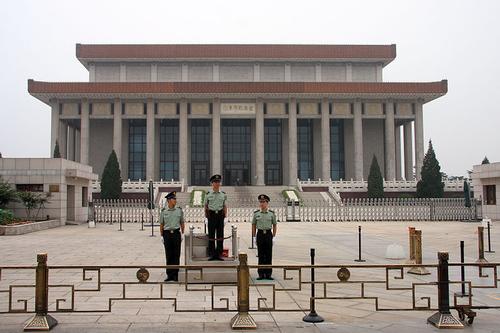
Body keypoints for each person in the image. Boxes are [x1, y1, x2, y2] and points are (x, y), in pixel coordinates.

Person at [159, 191, 185, 282]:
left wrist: (182, 233)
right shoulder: (164, 211)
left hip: (176, 233)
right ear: (169, 200)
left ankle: (175, 274)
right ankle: (169, 274)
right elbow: (161, 224)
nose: (175, 200)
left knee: (176, 254)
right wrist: (161, 236)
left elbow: (182, 222)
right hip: (167, 234)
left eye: (175, 199)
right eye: (174, 199)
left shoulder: (179, 210)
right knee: (169, 254)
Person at [252, 194, 277, 280]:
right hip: (260, 234)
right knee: (261, 254)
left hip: (268, 234)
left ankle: (268, 274)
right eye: (261, 202)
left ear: (267, 203)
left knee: (268, 254)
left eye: (264, 202)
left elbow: (274, 225)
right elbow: (254, 225)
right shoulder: (256, 214)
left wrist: (274, 236)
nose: (262, 204)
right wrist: (254, 237)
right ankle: (261, 274)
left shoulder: (271, 214)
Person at [204, 174, 227, 261]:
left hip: (220, 216)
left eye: (218, 182)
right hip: (211, 215)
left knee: (220, 235)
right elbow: (206, 206)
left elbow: (224, 206)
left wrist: (225, 217)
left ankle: (219, 254)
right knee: (211, 235)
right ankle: (212, 254)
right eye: (215, 182)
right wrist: (206, 217)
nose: (217, 183)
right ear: (212, 183)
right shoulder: (208, 194)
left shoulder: (223, 194)